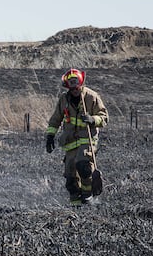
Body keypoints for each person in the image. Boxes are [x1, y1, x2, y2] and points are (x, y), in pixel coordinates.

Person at [45, 69, 108, 206]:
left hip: (88, 140)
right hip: (70, 142)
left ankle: (87, 196)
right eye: (71, 88)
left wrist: (92, 119)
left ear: (81, 84)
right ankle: (75, 206)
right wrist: (50, 135)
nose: (74, 91)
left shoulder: (91, 97)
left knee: (83, 166)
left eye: (76, 88)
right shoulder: (64, 99)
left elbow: (104, 117)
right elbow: (56, 119)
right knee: (70, 178)